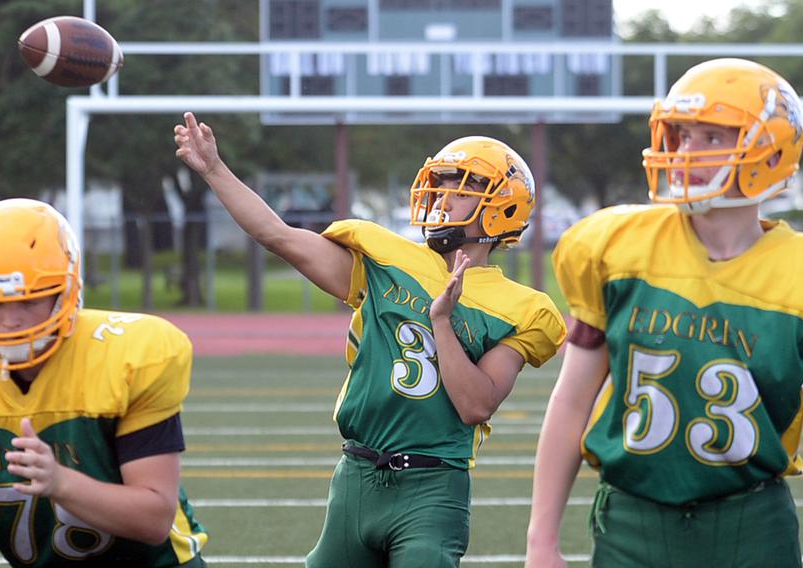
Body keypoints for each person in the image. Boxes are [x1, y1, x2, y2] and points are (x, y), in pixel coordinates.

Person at [174, 113, 566, 567]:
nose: (442, 195)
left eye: (462, 186)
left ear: (502, 206)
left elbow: (476, 406)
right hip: (356, 476)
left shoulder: (522, 308)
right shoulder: (385, 259)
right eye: (440, 182)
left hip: (433, 487)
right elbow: (277, 235)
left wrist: (441, 322)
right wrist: (214, 170)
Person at [525, 57, 803, 567]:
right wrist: (540, 542)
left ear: (771, 150)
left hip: (752, 525)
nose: (687, 152)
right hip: (631, 519)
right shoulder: (615, 247)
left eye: (712, 137)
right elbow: (572, 400)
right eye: (681, 135)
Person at [0, 198, 208, 567]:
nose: (10, 321)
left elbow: (154, 518)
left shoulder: (130, 356)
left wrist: (60, 482)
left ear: (65, 293)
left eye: (30, 300)